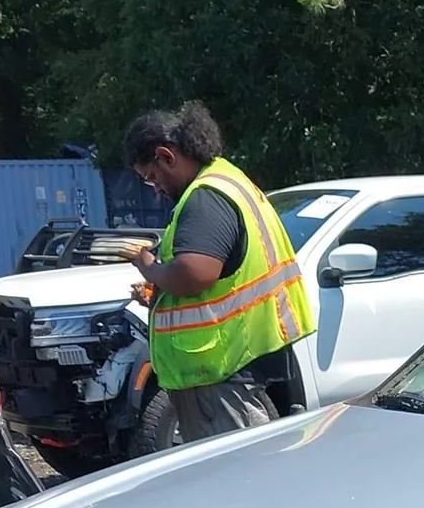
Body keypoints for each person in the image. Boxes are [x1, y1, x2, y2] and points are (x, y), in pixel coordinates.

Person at [122, 102, 314, 444]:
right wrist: (160, 293)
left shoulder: (204, 198)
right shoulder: (227, 180)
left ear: (166, 156)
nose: (155, 188)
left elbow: (195, 275)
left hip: (220, 373)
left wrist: (149, 267)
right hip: (232, 367)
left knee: (240, 471)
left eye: (152, 176)